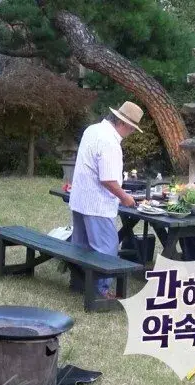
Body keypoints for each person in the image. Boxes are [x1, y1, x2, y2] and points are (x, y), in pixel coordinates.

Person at [68, 101, 143, 298]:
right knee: (106, 249)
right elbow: (108, 179)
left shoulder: (92, 130)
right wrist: (125, 197)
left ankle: (79, 283)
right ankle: (100, 292)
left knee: (80, 247)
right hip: (98, 204)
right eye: (132, 128)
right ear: (123, 123)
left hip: (80, 198)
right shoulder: (110, 142)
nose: (131, 133)